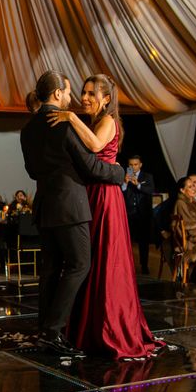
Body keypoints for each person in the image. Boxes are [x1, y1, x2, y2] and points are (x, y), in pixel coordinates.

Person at [47, 74, 163, 358]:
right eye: (83, 92)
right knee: (89, 259)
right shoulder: (92, 120)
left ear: (106, 98)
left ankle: (109, 327)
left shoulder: (107, 121)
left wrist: (70, 118)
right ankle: (88, 326)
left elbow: (97, 147)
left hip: (105, 197)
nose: (84, 98)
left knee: (105, 258)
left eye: (90, 93)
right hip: (90, 194)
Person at [20, 70, 125, 356]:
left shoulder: (27, 129)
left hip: (44, 207)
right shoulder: (64, 125)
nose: (72, 98)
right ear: (56, 94)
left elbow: (32, 171)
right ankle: (53, 331)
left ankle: (45, 329)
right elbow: (91, 166)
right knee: (80, 264)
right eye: (68, 92)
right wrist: (118, 173)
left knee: (51, 270)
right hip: (71, 208)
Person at [122, 155, 155, 274]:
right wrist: (125, 183)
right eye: (130, 165)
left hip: (143, 214)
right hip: (129, 213)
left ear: (140, 164)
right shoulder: (125, 175)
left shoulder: (147, 176)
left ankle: (144, 265)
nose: (133, 167)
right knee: (127, 241)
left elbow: (150, 190)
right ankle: (127, 266)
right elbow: (120, 194)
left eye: (135, 164)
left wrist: (139, 185)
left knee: (143, 242)